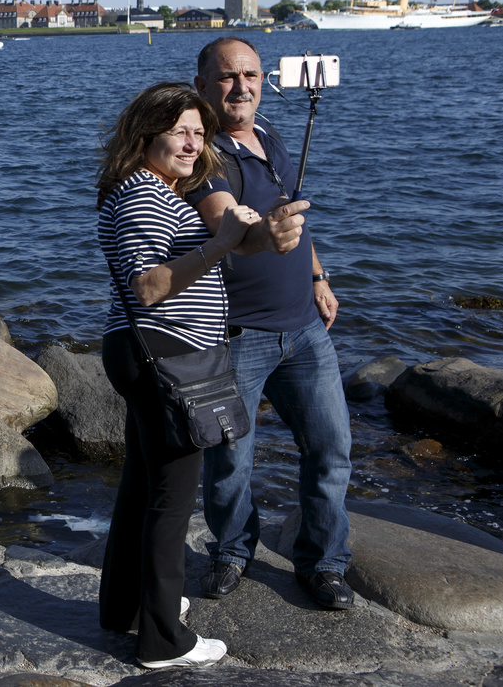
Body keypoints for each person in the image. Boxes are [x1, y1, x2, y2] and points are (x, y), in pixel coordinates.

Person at [97, 82, 260, 669]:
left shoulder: (149, 189)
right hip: (166, 358)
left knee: (142, 489)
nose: (193, 144)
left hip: (145, 353)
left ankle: (127, 609)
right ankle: (164, 640)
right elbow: (149, 285)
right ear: (148, 134)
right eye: (181, 131)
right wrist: (220, 243)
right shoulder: (145, 194)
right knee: (170, 501)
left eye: (200, 132)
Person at [188, 36, 354, 610]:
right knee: (231, 459)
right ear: (202, 88)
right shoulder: (200, 155)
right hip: (237, 337)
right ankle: (232, 552)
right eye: (228, 77)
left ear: (264, 81)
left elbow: (295, 218)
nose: (242, 87)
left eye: (251, 75)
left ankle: (325, 563)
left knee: (331, 449)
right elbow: (227, 223)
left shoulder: (271, 138)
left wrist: (317, 277)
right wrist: (263, 235)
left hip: (305, 330)